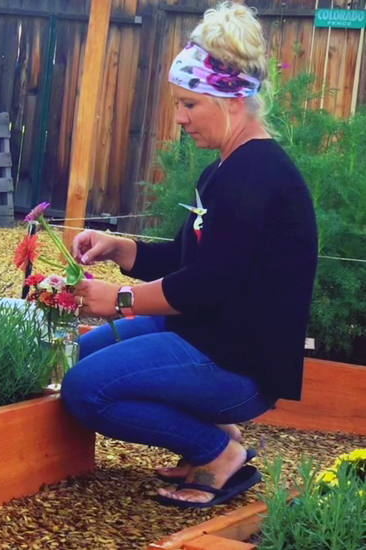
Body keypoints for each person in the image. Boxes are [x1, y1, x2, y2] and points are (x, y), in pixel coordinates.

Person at [61, 2, 318, 508]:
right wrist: (122, 249)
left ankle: (218, 452)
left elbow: (204, 286)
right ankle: (216, 436)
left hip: (240, 364)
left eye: (190, 105)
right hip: (205, 333)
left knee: (84, 389)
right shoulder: (227, 167)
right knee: (85, 354)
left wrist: (119, 298)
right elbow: (189, 258)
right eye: (178, 104)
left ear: (232, 102)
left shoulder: (254, 180)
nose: (178, 118)